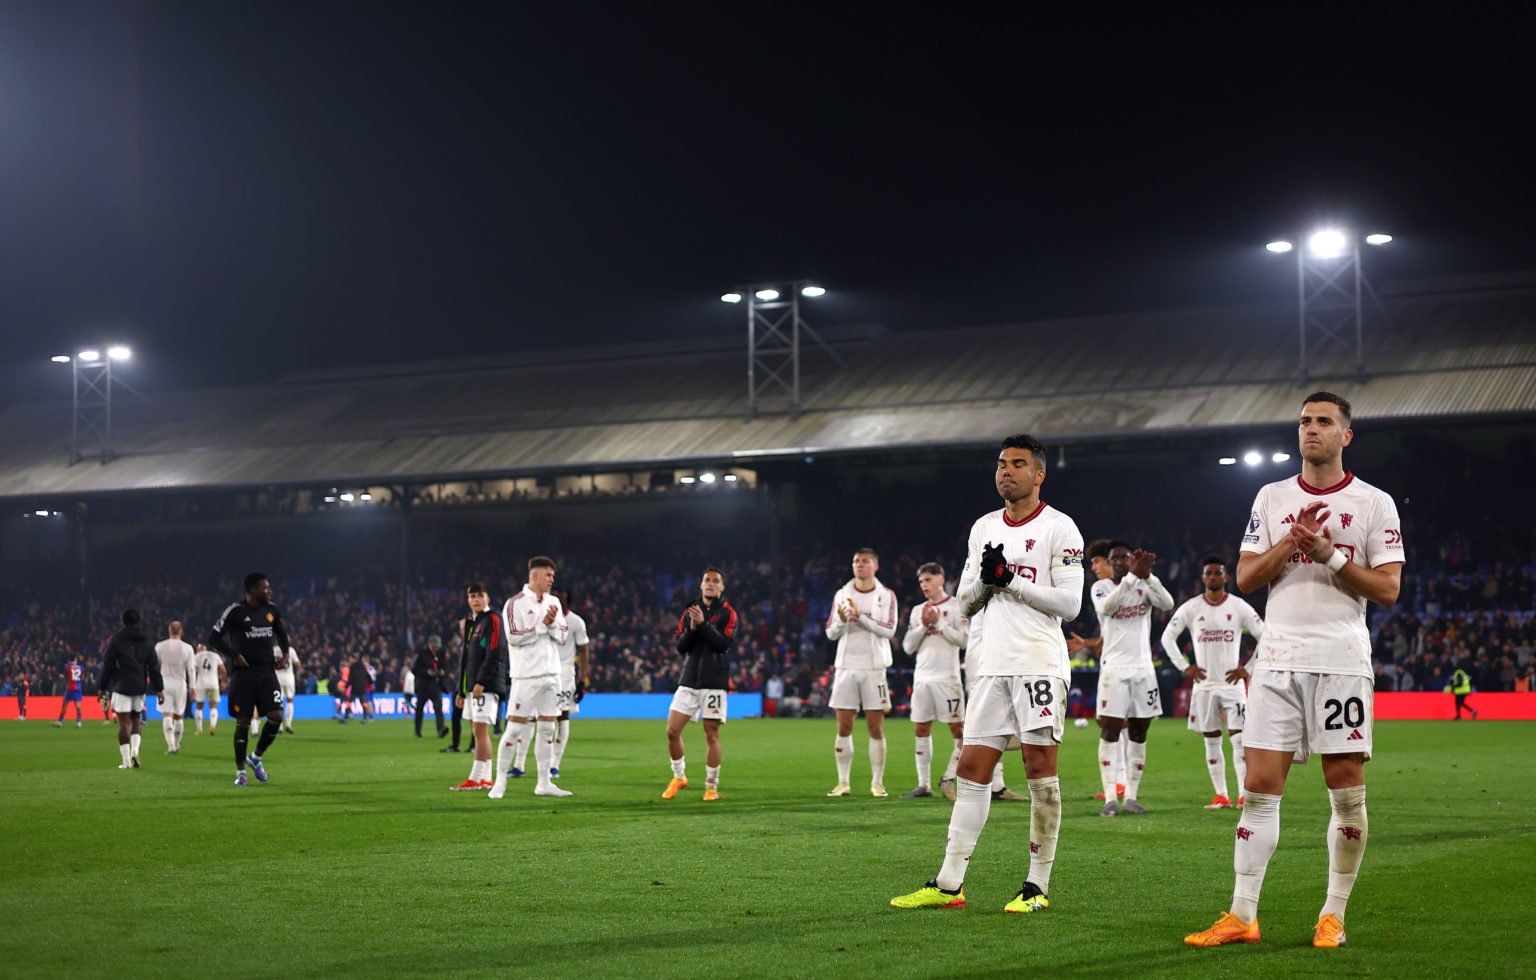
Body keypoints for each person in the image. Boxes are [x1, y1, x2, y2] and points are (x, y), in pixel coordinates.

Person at [1187, 391, 1404, 950]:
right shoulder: (1271, 495)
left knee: (1346, 791)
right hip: (1277, 660)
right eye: (1305, 420)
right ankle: (1242, 915)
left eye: (1324, 421)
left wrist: (1330, 553)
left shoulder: (1374, 502)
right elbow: (1247, 578)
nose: (1311, 429)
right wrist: (1292, 539)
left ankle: (1332, 914)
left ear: (1345, 436)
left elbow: (1387, 589)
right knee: (1258, 789)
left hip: (1341, 662)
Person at [890, 433, 1084, 914]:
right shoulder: (983, 528)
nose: (1006, 471)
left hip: (1038, 662)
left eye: (1018, 464)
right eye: (1001, 463)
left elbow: (1072, 604)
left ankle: (1036, 887)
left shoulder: (1061, 529)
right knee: (972, 769)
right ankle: (950, 882)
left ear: (1039, 474)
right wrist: (987, 582)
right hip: (991, 666)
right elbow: (965, 602)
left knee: (1039, 769)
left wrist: (1011, 580)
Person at [1159, 557, 1265, 809]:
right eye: (1209, 573)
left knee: (1239, 741)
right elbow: (1167, 638)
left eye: (1218, 572)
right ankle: (1221, 795)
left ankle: (1243, 795)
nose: (1214, 577)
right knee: (1211, 740)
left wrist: (1248, 668)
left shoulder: (1239, 607)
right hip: (1204, 686)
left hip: (1232, 686)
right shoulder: (1192, 608)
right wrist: (1185, 667)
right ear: (1203, 578)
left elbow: (1266, 635)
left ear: (1226, 577)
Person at [1090, 538, 1174, 816]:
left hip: (1143, 669)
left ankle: (1133, 797)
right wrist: (1131, 578)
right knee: (1111, 730)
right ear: (1111, 562)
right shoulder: (1101, 587)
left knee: (1139, 732)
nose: (1120, 562)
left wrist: (1148, 577)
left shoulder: (1143, 583)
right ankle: (1110, 798)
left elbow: (1167, 602)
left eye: (1125, 558)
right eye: (1115, 559)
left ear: (1131, 560)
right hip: (1114, 668)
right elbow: (1107, 609)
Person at [491, 557, 571, 799]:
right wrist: (542, 625)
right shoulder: (514, 604)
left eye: (553, 576)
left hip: (552, 674)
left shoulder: (554, 601)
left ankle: (544, 783)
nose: (552, 580)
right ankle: (500, 782)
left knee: (548, 728)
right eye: (548, 575)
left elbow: (563, 636)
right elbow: (514, 636)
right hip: (525, 676)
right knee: (515, 729)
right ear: (535, 576)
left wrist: (551, 625)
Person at [825, 547, 899, 797]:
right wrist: (842, 621)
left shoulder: (886, 595)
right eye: (856, 561)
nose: (860, 565)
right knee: (843, 726)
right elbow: (830, 632)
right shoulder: (841, 594)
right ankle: (843, 783)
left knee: (875, 727)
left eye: (865, 561)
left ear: (875, 566)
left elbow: (889, 630)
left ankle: (877, 783)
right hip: (846, 666)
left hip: (873, 667)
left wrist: (861, 617)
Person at [208, 572, 291, 787]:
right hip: (243, 675)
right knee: (243, 721)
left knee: (276, 716)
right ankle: (240, 771)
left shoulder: (272, 610)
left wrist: (286, 654)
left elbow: (282, 635)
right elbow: (214, 638)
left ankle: (256, 757)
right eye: (265, 588)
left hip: (267, 672)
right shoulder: (235, 611)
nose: (269, 591)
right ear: (252, 590)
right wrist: (234, 654)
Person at [662, 567, 738, 801]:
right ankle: (679, 776)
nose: (711, 584)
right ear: (701, 584)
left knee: (711, 735)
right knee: (672, 731)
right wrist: (693, 628)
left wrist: (703, 625)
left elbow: (723, 644)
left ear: (722, 587)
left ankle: (711, 786)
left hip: (714, 681)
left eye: (716, 581)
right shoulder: (690, 612)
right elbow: (681, 646)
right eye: (707, 580)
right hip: (689, 679)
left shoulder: (728, 613)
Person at [899, 562, 967, 799]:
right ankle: (923, 784)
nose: (924, 585)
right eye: (921, 582)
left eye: (928, 580)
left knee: (960, 731)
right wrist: (922, 626)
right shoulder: (919, 610)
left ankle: (948, 778)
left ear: (941, 579)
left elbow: (965, 641)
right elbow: (908, 646)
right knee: (921, 727)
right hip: (922, 678)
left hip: (947, 679)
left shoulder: (957, 606)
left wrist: (939, 624)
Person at [450, 583, 505, 791]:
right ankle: (486, 778)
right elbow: (465, 661)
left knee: (480, 730)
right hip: (473, 687)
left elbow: (496, 653)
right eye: (472, 596)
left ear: (488, 598)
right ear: (468, 600)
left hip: (486, 685)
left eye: (480, 596)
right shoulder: (474, 623)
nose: (476, 600)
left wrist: (482, 681)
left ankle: (475, 778)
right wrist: (461, 689)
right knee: (477, 731)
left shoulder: (493, 620)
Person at [97, 609, 164, 769]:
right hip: (140, 687)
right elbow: (154, 666)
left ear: (123, 620)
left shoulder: (117, 639)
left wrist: (102, 687)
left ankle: (126, 760)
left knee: (123, 722)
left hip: (121, 686)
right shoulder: (146, 640)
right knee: (136, 720)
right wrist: (159, 689)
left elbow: (108, 665)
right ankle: (135, 751)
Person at [552, 590, 590, 777]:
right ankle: (519, 764)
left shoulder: (576, 622)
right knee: (536, 717)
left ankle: (554, 764)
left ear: (568, 601)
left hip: (566, 673)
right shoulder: (545, 617)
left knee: (562, 716)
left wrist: (582, 681)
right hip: (544, 671)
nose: (557, 599)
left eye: (561, 597)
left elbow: (583, 652)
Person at [154, 621, 196, 755]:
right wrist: (193, 687)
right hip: (180, 683)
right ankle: (177, 744)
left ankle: (171, 745)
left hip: (165, 682)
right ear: (181, 631)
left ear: (169, 631)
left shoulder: (160, 646)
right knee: (178, 716)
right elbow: (191, 669)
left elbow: (155, 667)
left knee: (167, 714)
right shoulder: (188, 648)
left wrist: (156, 685)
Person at [413, 635, 450, 739]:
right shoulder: (422, 654)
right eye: (434, 646)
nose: (436, 648)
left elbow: (447, 667)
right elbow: (415, 670)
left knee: (439, 708)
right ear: (429, 645)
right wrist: (426, 672)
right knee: (419, 709)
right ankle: (417, 731)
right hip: (423, 685)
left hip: (436, 684)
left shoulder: (442, 653)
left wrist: (443, 672)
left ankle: (441, 730)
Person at [191, 642, 226, 736]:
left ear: (199, 649)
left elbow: (192, 670)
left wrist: (192, 685)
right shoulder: (215, 655)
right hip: (213, 683)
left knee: (199, 706)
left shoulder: (196, 656)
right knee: (213, 706)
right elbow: (223, 670)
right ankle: (212, 726)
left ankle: (199, 730)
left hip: (201, 683)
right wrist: (223, 682)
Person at [274, 642, 301, 733]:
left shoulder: (273, 650)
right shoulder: (291, 650)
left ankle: (279, 726)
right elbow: (297, 664)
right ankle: (288, 725)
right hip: (289, 677)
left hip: (277, 677)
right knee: (290, 700)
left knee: (278, 701)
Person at [53, 657, 86, 727]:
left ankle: (60, 721)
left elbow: (66, 676)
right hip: (78, 688)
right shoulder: (81, 667)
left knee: (65, 704)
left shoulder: (67, 666)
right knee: (77, 705)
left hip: (70, 688)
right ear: (76, 659)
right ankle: (79, 722)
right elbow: (82, 678)